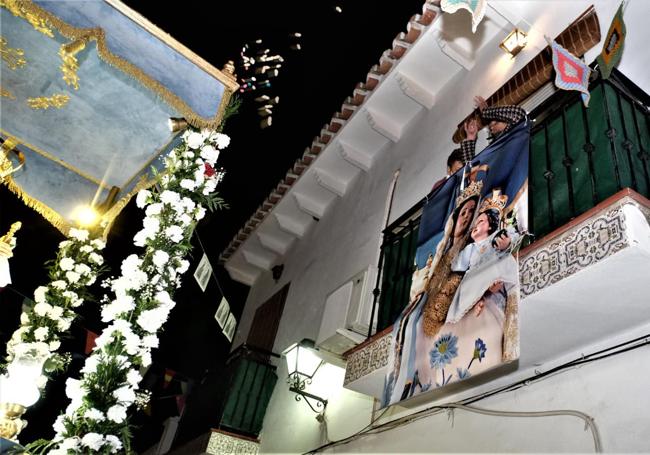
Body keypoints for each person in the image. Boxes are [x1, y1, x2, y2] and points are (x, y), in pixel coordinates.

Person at [460, 96, 527, 162]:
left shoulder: (516, 132)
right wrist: (471, 138)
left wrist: (486, 111)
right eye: (490, 128)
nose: (492, 128)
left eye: (496, 123)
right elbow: (468, 170)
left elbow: (519, 113)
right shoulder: (493, 149)